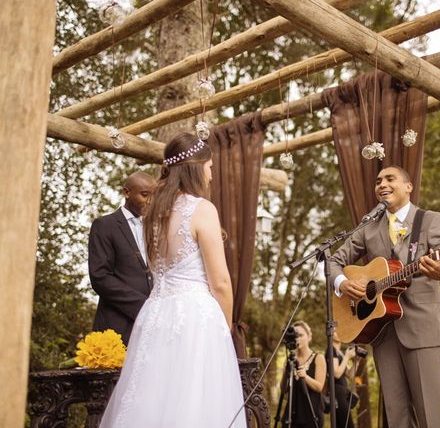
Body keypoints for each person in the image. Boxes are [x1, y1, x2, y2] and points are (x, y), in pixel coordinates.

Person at [99, 132, 246, 428]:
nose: (212, 175)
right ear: (196, 167)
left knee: (153, 398)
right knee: (196, 403)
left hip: (155, 315)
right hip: (196, 319)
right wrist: (225, 329)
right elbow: (220, 283)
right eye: (210, 167)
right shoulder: (202, 209)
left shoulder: (153, 213)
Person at [330, 166, 440, 428]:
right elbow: (334, 261)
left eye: (390, 179)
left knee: (431, 415)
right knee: (396, 415)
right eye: (378, 180)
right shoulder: (368, 228)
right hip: (382, 331)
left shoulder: (431, 220)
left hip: (423, 329)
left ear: (408, 186)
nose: (382, 184)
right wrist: (343, 283)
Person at [88, 171, 157, 346]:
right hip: (118, 326)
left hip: (153, 327)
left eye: (153, 196)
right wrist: (144, 306)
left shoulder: (155, 227)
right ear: (126, 193)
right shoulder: (104, 225)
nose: (150, 201)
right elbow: (100, 277)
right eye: (144, 194)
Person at [281, 320, 326, 428]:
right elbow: (283, 389)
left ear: (309, 337)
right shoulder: (290, 360)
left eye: (301, 335)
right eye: (295, 336)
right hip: (292, 414)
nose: (297, 338)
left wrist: (305, 376)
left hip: (311, 413)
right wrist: (286, 373)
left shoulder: (318, 358)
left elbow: (319, 387)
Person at [330, 331, 358, 428]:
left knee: (344, 424)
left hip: (342, 393)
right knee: (346, 424)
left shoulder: (339, 353)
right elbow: (336, 374)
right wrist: (347, 356)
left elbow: (349, 375)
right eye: (334, 331)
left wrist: (356, 361)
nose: (338, 332)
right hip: (337, 393)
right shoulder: (331, 350)